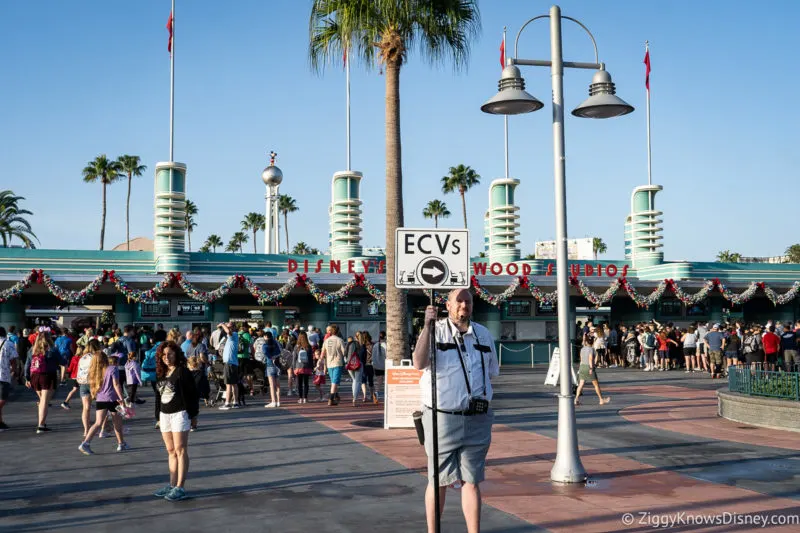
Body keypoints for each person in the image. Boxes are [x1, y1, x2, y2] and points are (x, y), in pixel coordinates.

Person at [412, 288, 499, 533]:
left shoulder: (483, 334)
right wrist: (427, 326)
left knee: (472, 480)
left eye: (468, 301)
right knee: (438, 479)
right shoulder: (436, 331)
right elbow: (419, 363)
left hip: (478, 418)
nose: (463, 305)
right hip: (442, 418)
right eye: (458, 301)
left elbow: (492, 371)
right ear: (448, 305)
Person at [152, 341, 199, 501]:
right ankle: (171, 485)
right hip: (165, 415)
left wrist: (194, 416)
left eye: (170, 353)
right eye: (163, 355)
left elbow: (192, 395)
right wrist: (157, 417)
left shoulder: (182, 372)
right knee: (171, 451)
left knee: (180, 450)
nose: (166, 357)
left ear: (176, 354)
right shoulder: (161, 373)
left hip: (180, 413)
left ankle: (180, 486)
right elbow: (158, 397)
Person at [78, 349, 129, 454]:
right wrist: (122, 399)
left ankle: (85, 443)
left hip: (101, 399)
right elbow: (116, 384)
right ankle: (121, 444)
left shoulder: (95, 372)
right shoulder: (112, 369)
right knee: (117, 422)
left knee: (97, 423)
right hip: (113, 398)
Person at [24, 330, 61, 433]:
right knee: (44, 401)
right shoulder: (52, 350)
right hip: (48, 376)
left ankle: (42, 423)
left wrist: (27, 378)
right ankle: (40, 425)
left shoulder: (32, 349)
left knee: (42, 401)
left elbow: (27, 364)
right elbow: (62, 361)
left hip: (35, 376)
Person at [574, 334, 611, 406]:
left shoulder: (582, 349)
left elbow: (581, 359)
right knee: (596, 385)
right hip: (589, 367)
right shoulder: (591, 350)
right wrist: (591, 368)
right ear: (592, 342)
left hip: (582, 367)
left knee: (581, 384)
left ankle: (576, 399)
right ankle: (601, 399)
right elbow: (590, 358)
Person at [322, 325, 346, 406]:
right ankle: (331, 399)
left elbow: (323, 352)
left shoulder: (326, 341)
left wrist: (320, 361)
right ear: (338, 331)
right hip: (337, 363)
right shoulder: (340, 340)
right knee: (334, 382)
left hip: (329, 363)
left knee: (333, 381)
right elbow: (344, 353)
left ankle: (336, 395)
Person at [0, 327, 18, 431]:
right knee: (3, 398)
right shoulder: (8, 344)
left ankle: (0, 422)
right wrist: (14, 371)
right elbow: (13, 360)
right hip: (3, 375)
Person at [218, 323, 239, 410]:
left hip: (229, 362)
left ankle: (227, 403)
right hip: (232, 362)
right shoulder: (231, 337)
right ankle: (235, 402)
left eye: (230, 327)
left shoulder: (233, 334)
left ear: (233, 328)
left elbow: (227, 331)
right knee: (234, 384)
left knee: (228, 384)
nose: (228, 328)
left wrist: (222, 324)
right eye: (228, 327)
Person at [263, 330, 282, 408]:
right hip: (277, 365)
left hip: (270, 365)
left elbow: (265, 353)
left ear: (266, 337)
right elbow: (280, 351)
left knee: (272, 385)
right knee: (278, 385)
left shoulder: (265, 345)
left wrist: (271, 357)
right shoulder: (276, 343)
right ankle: (278, 401)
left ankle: (273, 401)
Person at [344, 335, 364, 406]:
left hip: (349, 364)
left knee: (354, 380)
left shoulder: (348, 344)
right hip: (358, 364)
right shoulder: (358, 344)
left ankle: (354, 397)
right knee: (358, 381)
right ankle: (354, 398)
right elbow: (362, 355)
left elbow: (344, 354)